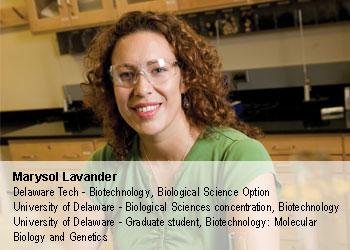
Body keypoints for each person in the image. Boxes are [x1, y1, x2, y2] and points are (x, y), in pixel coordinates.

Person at [81, 11, 279, 250]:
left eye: (158, 70)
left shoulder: (238, 157)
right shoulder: (105, 164)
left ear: (185, 78)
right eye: (126, 74)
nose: (142, 89)